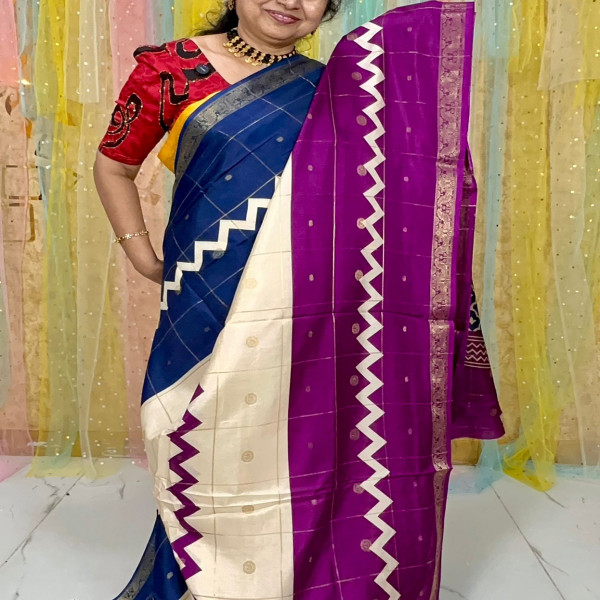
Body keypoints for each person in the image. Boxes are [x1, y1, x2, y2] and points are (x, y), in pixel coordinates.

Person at [94, 1, 505, 599]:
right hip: (206, 291)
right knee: (198, 431)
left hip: (310, 300)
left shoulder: (340, 91)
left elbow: (398, 187)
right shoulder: (172, 70)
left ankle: (291, 575)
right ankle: (203, 574)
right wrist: (141, 254)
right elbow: (113, 166)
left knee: (300, 437)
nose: (290, 1)